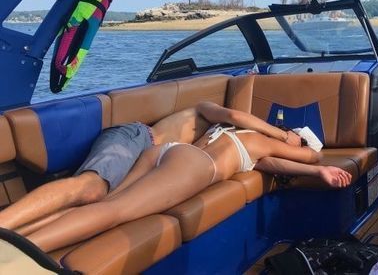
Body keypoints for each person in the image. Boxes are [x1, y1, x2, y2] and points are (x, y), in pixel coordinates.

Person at [16, 101, 351, 253]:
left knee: (103, 204)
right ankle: (25, 250)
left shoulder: (238, 133)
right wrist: (311, 155)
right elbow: (306, 155)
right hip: (194, 164)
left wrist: (315, 170)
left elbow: (273, 165)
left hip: (165, 151)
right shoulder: (266, 141)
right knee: (112, 212)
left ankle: (14, 235)